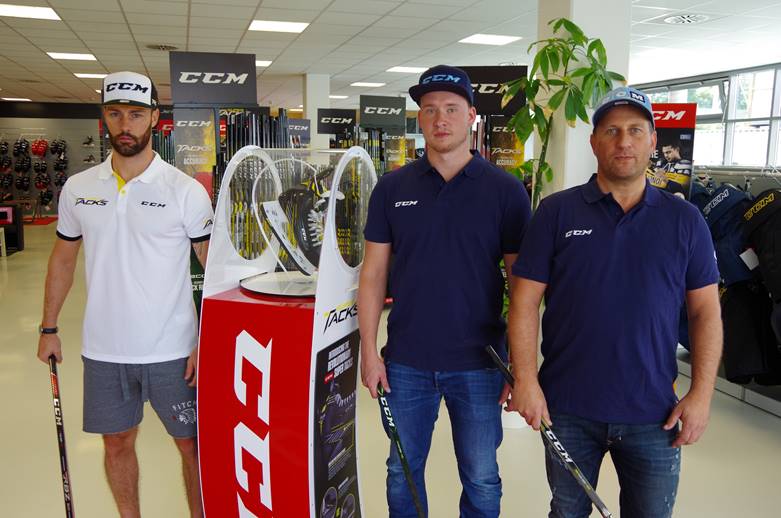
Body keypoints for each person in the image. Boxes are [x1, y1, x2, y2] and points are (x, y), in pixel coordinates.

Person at [505, 86, 722, 518]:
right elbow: (524, 303)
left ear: (653, 140)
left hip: (654, 412)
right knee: (567, 512)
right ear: (594, 142)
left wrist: (701, 394)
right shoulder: (556, 213)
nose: (624, 141)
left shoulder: (685, 220)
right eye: (612, 131)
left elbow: (705, 311)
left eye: (635, 130)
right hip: (568, 407)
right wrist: (526, 380)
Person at [36, 71, 213, 518]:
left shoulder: (185, 191)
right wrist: (48, 327)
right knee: (116, 442)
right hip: (104, 350)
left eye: (135, 114)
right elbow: (63, 259)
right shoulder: (79, 188)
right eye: (115, 114)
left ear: (154, 117)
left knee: (192, 446)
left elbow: (213, 269)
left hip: (174, 350)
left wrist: (207, 338)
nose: (125, 125)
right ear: (104, 117)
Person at [358, 65, 531, 517]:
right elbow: (373, 274)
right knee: (401, 471)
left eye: (452, 109)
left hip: (481, 364)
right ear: (419, 118)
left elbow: (523, 288)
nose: (441, 119)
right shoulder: (392, 188)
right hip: (405, 362)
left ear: (471, 116)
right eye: (430, 109)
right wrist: (369, 351)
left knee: (481, 475)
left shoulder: (506, 191)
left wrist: (521, 364)